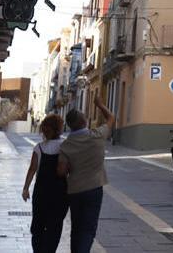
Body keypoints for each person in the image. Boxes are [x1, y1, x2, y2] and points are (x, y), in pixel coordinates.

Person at [57, 97, 114, 253]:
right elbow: (111, 118)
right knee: (88, 228)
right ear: (84, 122)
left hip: (75, 190)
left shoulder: (66, 145)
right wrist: (100, 105)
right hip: (94, 188)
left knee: (76, 226)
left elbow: (61, 171)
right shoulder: (97, 135)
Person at [22, 114, 68, 253]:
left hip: (41, 193)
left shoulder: (39, 148)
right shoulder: (64, 146)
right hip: (60, 193)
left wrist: (25, 189)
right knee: (55, 225)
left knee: (38, 225)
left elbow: (32, 169)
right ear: (59, 129)